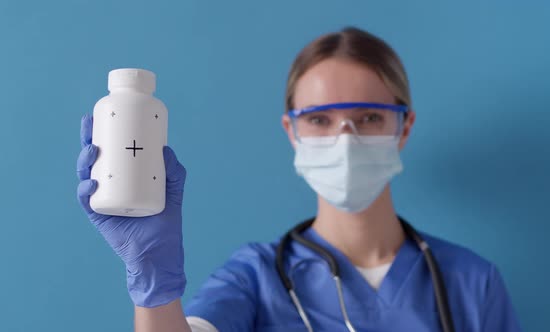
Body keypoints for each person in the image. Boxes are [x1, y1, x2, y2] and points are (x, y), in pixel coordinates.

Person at [76, 27, 521, 331]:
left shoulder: (471, 282)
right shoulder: (255, 277)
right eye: (321, 119)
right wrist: (153, 279)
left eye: (368, 117)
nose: (345, 139)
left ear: (404, 127)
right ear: (293, 130)